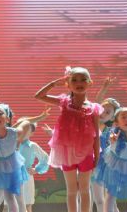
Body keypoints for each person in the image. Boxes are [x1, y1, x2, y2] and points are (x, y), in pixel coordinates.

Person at [34, 66, 102, 212]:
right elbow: (39, 96)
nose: (79, 82)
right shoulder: (63, 102)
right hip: (67, 152)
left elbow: (96, 134)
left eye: (83, 79)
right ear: (68, 84)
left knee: (84, 188)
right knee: (71, 189)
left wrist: (97, 154)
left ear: (90, 83)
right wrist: (53, 84)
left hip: (86, 153)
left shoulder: (93, 108)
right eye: (74, 80)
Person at [18, 122, 50, 212]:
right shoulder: (11, 144)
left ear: (32, 133)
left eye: (27, 130)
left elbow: (45, 158)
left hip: (26, 178)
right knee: (9, 204)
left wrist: (36, 169)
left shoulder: (32, 146)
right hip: (12, 177)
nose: (23, 131)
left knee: (27, 205)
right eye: (22, 128)